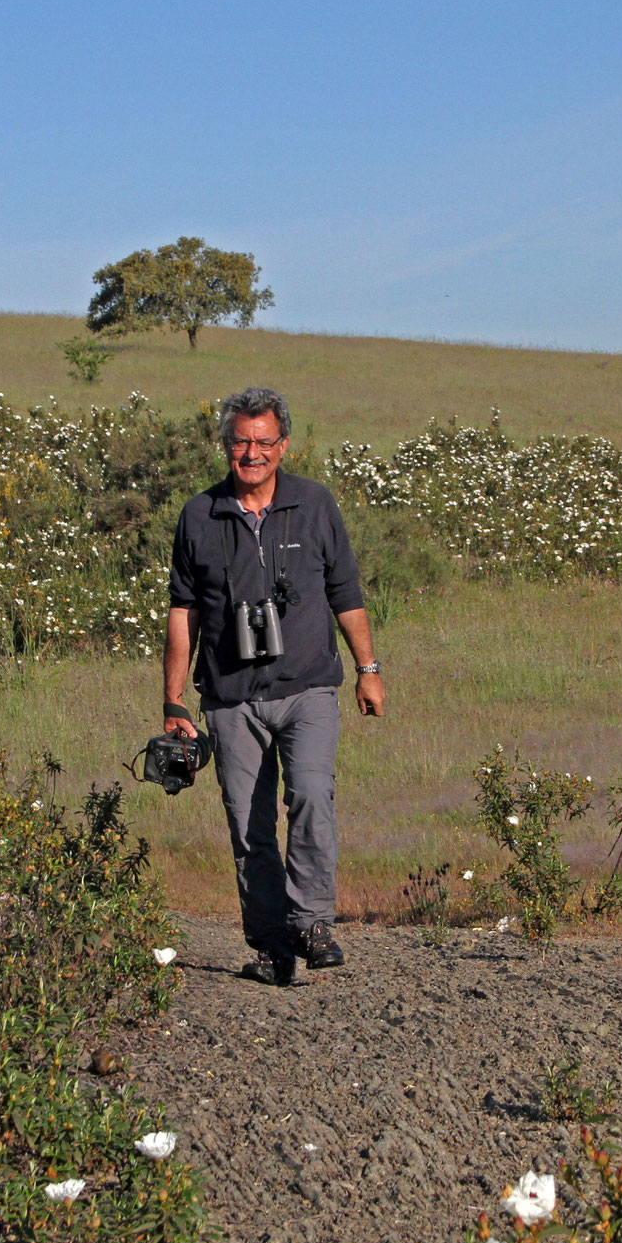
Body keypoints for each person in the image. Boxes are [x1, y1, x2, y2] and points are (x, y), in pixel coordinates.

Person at [164, 387, 385, 985]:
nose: (252, 452)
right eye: (241, 441)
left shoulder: (315, 504)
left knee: (311, 796)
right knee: (249, 824)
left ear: (283, 445)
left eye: (264, 441)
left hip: (309, 685)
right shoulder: (198, 514)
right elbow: (182, 612)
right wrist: (174, 700)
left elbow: (346, 592)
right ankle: (271, 946)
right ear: (225, 445)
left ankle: (312, 922)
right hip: (231, 697)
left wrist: (368, 670)